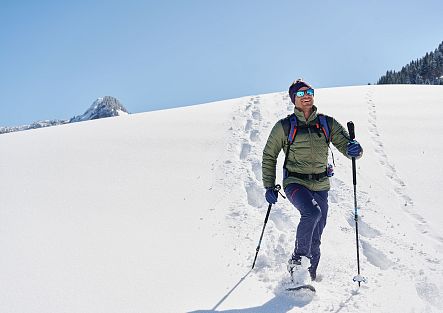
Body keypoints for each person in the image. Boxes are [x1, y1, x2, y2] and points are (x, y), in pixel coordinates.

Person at [261, 79, 363, 281]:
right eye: (300, 93)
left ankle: (309, 277)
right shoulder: (284, 126)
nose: (306, 96)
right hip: (295, 183)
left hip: (321, 184)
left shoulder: (326, 123)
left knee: (316, 235)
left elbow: (347, 146)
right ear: (293, 99)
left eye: (309, 92)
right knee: (311, 212)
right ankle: (297, 262)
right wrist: (269, 186)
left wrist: (356, 150)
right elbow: (269, 156)